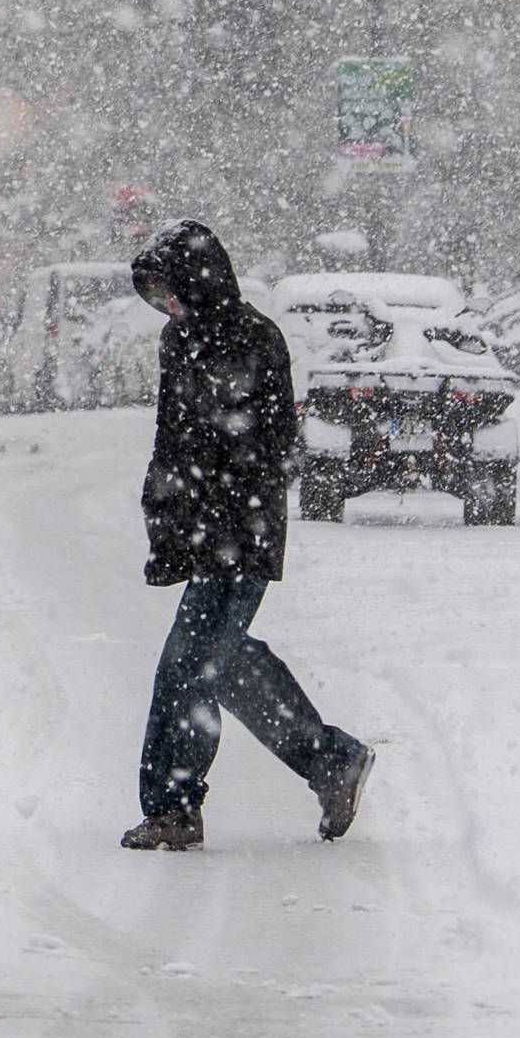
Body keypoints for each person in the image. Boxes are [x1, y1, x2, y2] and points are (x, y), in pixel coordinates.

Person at [121, 221, 374, 852]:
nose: (169, 305)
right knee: (223, 661)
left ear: (198, 278)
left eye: (172, 291)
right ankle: (330, 760)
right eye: (158, 297)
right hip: (206, 529)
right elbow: (171, 438)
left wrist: (227, 499)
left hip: (242, 529)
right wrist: (166, 515)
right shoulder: (177, 340)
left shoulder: (255, 336)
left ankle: (173, 808)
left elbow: (277, 448)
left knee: (185, 668)